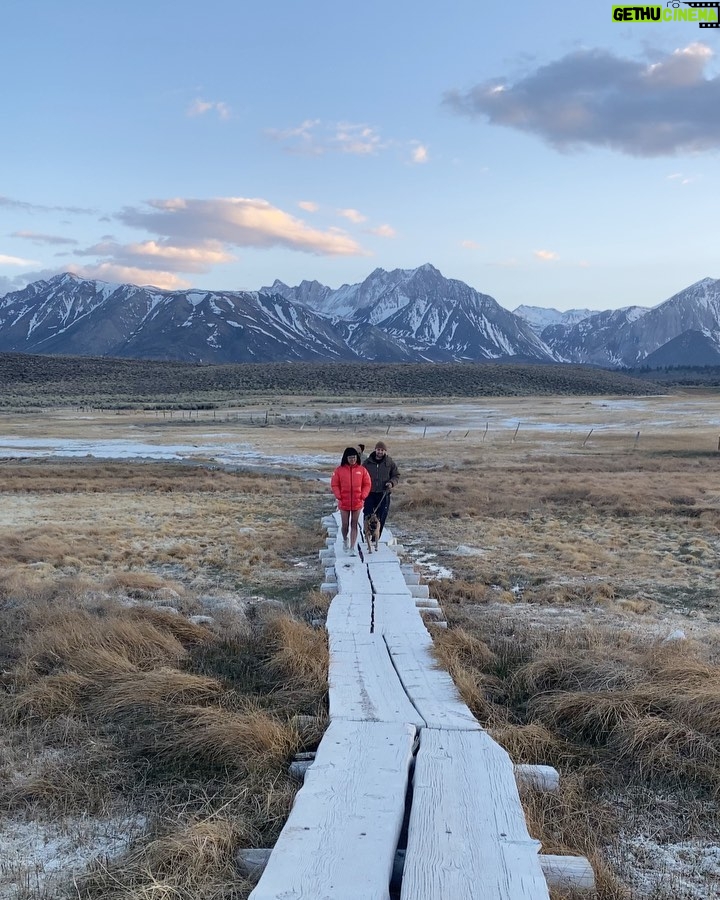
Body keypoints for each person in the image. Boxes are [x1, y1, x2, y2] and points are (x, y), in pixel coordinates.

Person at [330, 447, 371, 554]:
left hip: (357, 501)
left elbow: (367, 484)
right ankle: (345, 540)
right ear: (346, 458)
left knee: (354, 523)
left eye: (354, 457)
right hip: (344, 501)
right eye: (350, 457)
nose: (352, 459)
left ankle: (352, 547)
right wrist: (339, 495)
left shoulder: (362, 470)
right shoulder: (339, 470)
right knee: (345, 525)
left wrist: (363, 495)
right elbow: (334, 484)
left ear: (357, 457)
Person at [362, 441, 399, 537]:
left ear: (385, 451)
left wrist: (391, 483)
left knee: (382, 515)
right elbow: (361, 476)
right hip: (370, 493)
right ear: (375, 450)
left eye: (382, 450)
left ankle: (377, 536)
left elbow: (396, 475)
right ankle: (367, 533)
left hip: (384, 493)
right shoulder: (367, 463)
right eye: (378, 449)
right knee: (367, 514)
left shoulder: (390, 462)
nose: (380, 452)